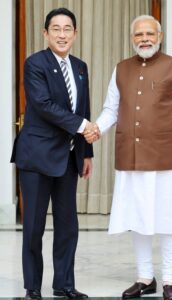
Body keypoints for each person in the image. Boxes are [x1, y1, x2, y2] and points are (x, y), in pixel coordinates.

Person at [84, 15, 172, 300]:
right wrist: (97, 128)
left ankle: (171, 281)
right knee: (138, 218)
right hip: (131, 158)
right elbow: (111, 108)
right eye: (139, 35)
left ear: (159, 37)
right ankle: (145, 277)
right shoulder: (121, 69)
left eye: (150, 33)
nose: (145, 39)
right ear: (132, 38)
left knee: (168, 220)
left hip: (168, 160)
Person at [11, 7, 96, 300]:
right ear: (46, 33)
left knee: (68, 226)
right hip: (36, 156)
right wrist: (84, 126)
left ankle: (64, 284)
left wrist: (86, 152)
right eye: (56, 29)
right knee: (33, 227)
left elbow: (83, 109)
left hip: (69, 158)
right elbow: (44, 104)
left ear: (75, 33)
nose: (62, 34)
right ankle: (32, 288)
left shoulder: (81, 67)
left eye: (67, 29)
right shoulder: (35, 63)